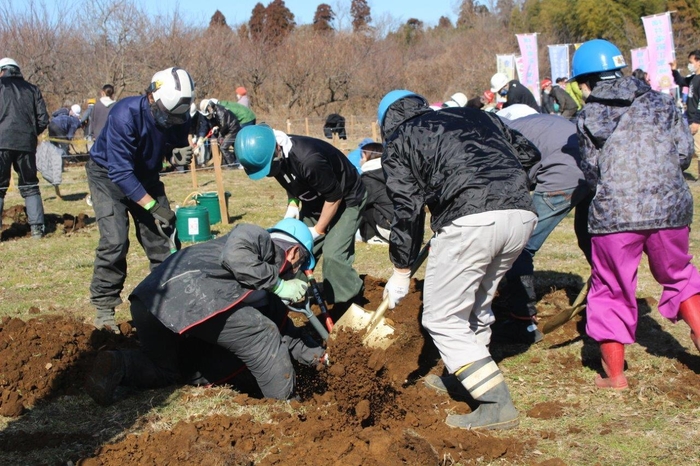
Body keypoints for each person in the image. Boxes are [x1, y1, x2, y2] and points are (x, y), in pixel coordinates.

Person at [378, 90, 540, 430]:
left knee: (441, 318)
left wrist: (401, 269)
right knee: (477, 302)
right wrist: (510, 190)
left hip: (471, 221)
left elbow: (406, 210)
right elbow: (530, 154)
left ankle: (496, 403)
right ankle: (462, 377)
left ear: (386, 123)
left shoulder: (399, 138)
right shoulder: (478, 115)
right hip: (521, 215)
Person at [84, 219, 327, 405]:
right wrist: (279, 284)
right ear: (294, 253)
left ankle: (118, 365)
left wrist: (323, 359)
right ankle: (283, 408)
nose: (294, 275)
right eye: (297, 268)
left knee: (168, 369)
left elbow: (287, 333)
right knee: (262, 334)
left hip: (149, 302)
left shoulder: (268, 295)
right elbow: (236, 256)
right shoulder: (257, 236)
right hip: (190, 295)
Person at [572, 39, 700, 390]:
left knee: (612, 288)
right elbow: (684, 153)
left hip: (615, 213)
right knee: (679, 275)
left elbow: (591, 170)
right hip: (670, 207)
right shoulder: (661, 101)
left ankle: (615, 377)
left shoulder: (588, 116)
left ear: (587, 80)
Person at [86, 67, 195, 333]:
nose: (172, 122)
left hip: (146, 176)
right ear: (150, 98)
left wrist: (176, 154)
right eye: (168, 116)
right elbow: (121, 172)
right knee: (115, 241)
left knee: (164, 238)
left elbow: (173, 143)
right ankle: (104, 308)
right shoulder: (124, 115)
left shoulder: (178, 114)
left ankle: (168, 301)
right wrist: (153, 207)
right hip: (108, 177)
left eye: (176, 118)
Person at [235, 125, 367, 305]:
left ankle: (349, 302)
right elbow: (292, 183)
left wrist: (318, 230)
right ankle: (295, 298)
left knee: (333, 256)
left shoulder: (308, 160)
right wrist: (293, 204)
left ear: (277, 149)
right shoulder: (270, 155)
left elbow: (334, 197)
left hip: (346, 199)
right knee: (292, 250)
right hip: (315, 201)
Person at [496, 113, 593, 343]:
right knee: (590, 238)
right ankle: (610, 300)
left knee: (520, 244)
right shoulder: (518, 122)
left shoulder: (495, 139)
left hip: (563, 171)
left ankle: (522, 322)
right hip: (592, 166)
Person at [0, 58, 49, 239]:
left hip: (1, 143)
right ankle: (37, 229)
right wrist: (29, 133)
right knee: (30, 185)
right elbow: (43, 119)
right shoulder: (32, 89)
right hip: (26, 145)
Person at [356, 142, 391, 244]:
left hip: (392, 229)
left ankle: (371, 237)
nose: (360, 160)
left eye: (362, 156)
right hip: (412, 227)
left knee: (364, 205)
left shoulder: (368, 178)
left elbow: (357, 202)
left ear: (369, 156)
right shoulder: (394, 172)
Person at [671, 51, 700, 157]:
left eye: (691, 62)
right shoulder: (693, 78)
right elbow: (681, 81)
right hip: (691, 118)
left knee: (699, 151)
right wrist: (674, 70)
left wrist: (697, 121)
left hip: (697, 121)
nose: (690, 65)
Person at [199, 98, 242, 168]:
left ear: (209, 107)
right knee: (234, 147)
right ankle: (231, 163)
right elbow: (221, 124)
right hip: (230, 129)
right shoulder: (216, 111)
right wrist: (216, 128)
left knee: (223, 147)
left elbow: (224, 125)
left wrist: (220, 134)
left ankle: (233, 165)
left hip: (233, 130)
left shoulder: (220, 112)